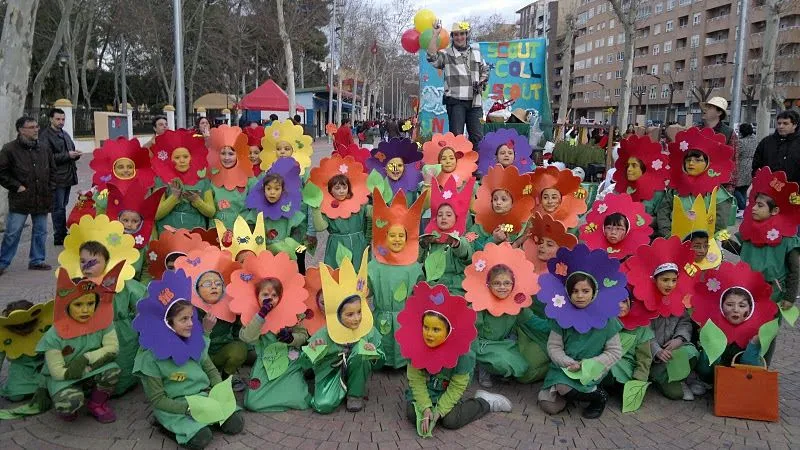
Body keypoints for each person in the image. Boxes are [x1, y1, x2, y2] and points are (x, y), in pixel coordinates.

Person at [0, 116, 55, 276]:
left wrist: (50, 187)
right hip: (21, 198)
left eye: (37, 126)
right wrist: (17, 187)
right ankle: (3, 262)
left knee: (41, 231)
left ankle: (37, 260)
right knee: (12, 232)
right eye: (31, 127)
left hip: (42, 196)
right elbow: (2, 172)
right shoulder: (9, 149)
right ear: (21, 130)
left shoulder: (44, 148)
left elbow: (52, 169)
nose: (36, 129)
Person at [426, 21, 489, 147]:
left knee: (478, 137)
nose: (459, 37)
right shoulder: (447, 54)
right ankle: (457, 166)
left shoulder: (476, 52)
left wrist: (482, 81)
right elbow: (431, 57)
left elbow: (485, 70)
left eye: (462, 34)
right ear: (452, 37)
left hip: (475, 102)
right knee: (456, 137)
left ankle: (477, 165)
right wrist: (435, 35)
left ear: (467, 35)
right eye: (455, 35)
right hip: (455, 101)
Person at [38, 108, 81, 246]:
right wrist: (68, 155)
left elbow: (70, 150)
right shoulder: (45, 136)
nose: (61, 122)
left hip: (67, 176)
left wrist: (75, 154)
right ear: (51, 119)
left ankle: (62, 232)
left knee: (63, 205)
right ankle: (59, 236)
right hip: (56, 177)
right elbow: (46, 157)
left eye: (63, 119)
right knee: (58, 207)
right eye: (58, 119)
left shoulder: (65, 134)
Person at [752, 109, 800, 183]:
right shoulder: (766, 142)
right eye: (779, 123)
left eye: (785, 123)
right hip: (767, 188)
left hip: (793, 191)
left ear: (794, 125)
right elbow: (756, 165)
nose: (781, 126)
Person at [735, 123, 757, 216]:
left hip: (742, 165)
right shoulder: (755, 140)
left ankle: (742, 207)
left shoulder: (741, 142)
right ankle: (742, 209)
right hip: (752, 164)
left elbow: (736, 153)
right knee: (744, 188)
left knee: (735, 188)